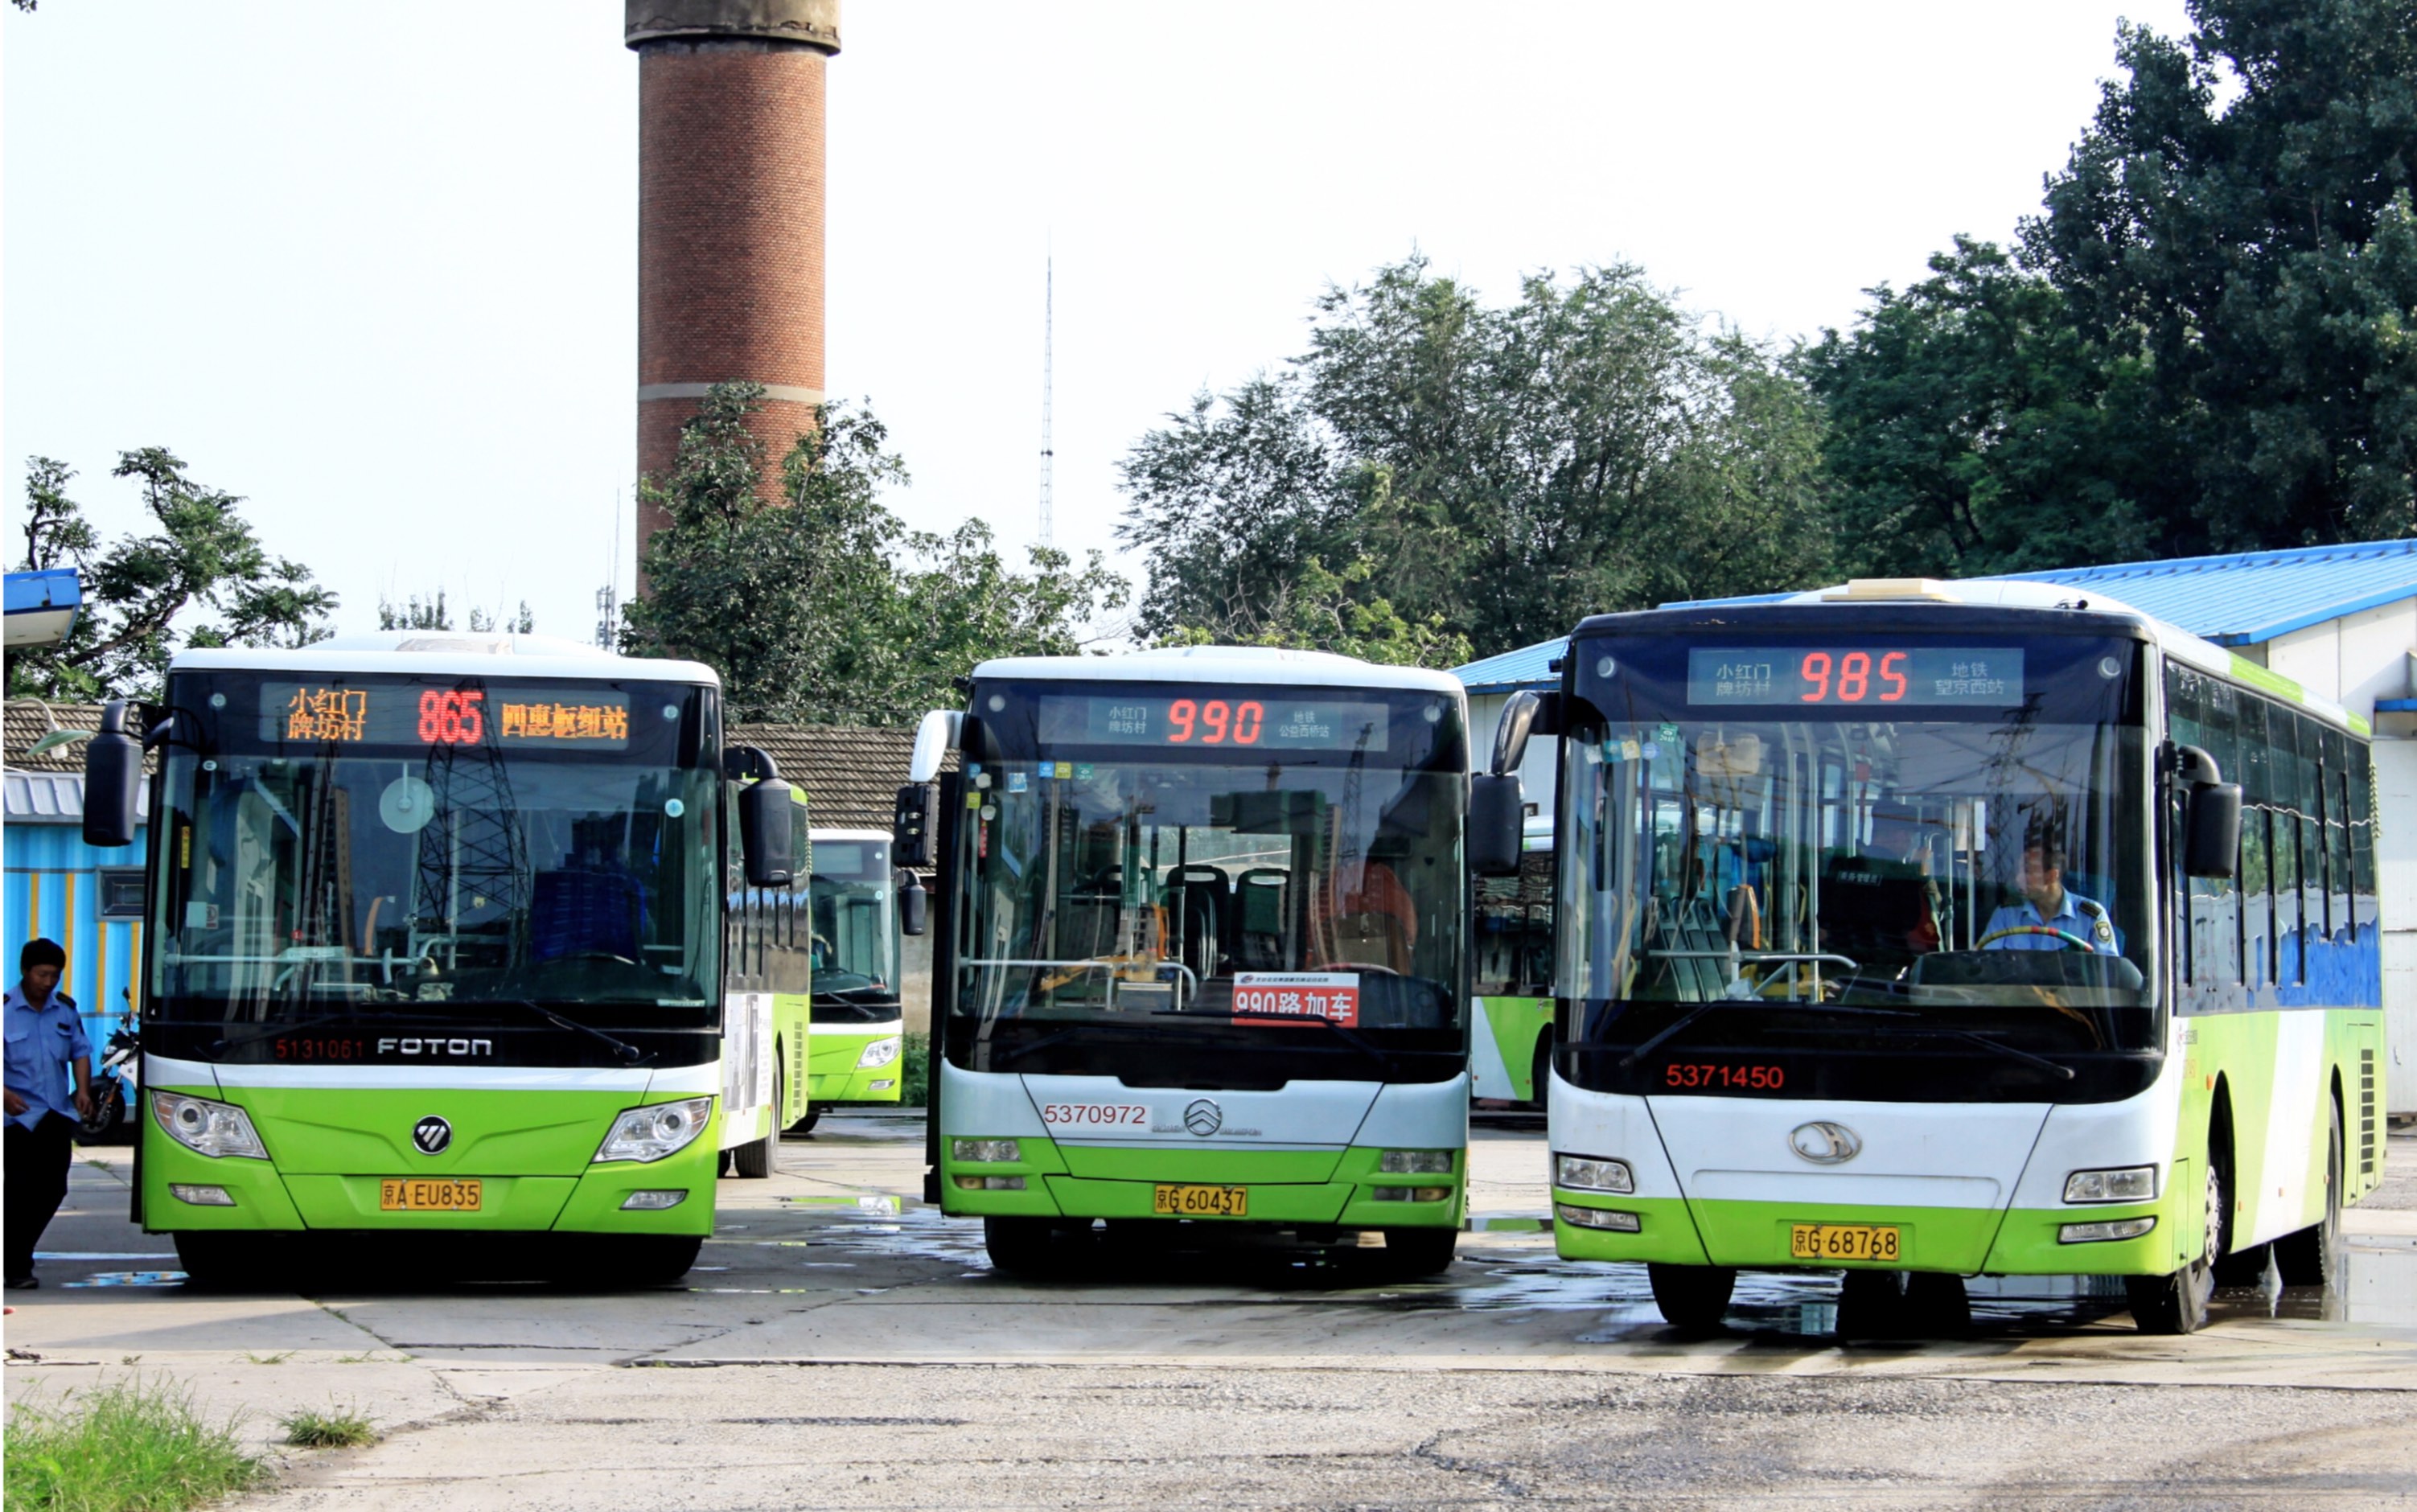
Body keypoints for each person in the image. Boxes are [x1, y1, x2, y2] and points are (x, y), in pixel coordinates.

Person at [5, 938, 92, 1288]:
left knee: (53, 1189)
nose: (48, 982)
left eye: (55, 975)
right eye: (42, 974)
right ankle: (17, 1265)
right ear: (25, 971)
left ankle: (14, 1252)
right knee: (19, 1192)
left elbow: (80, 1051)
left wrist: (83, 1091)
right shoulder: (5, 1009)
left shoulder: (65, 1010)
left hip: (56, 1113)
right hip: (17, 1118)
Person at [1982, 842, 2121, 953]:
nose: (2018, 879)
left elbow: (2108, 971)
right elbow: (1985, 963)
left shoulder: (2092, 916)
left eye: (2027, 871)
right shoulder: (2006, 915)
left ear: (2051, 876)